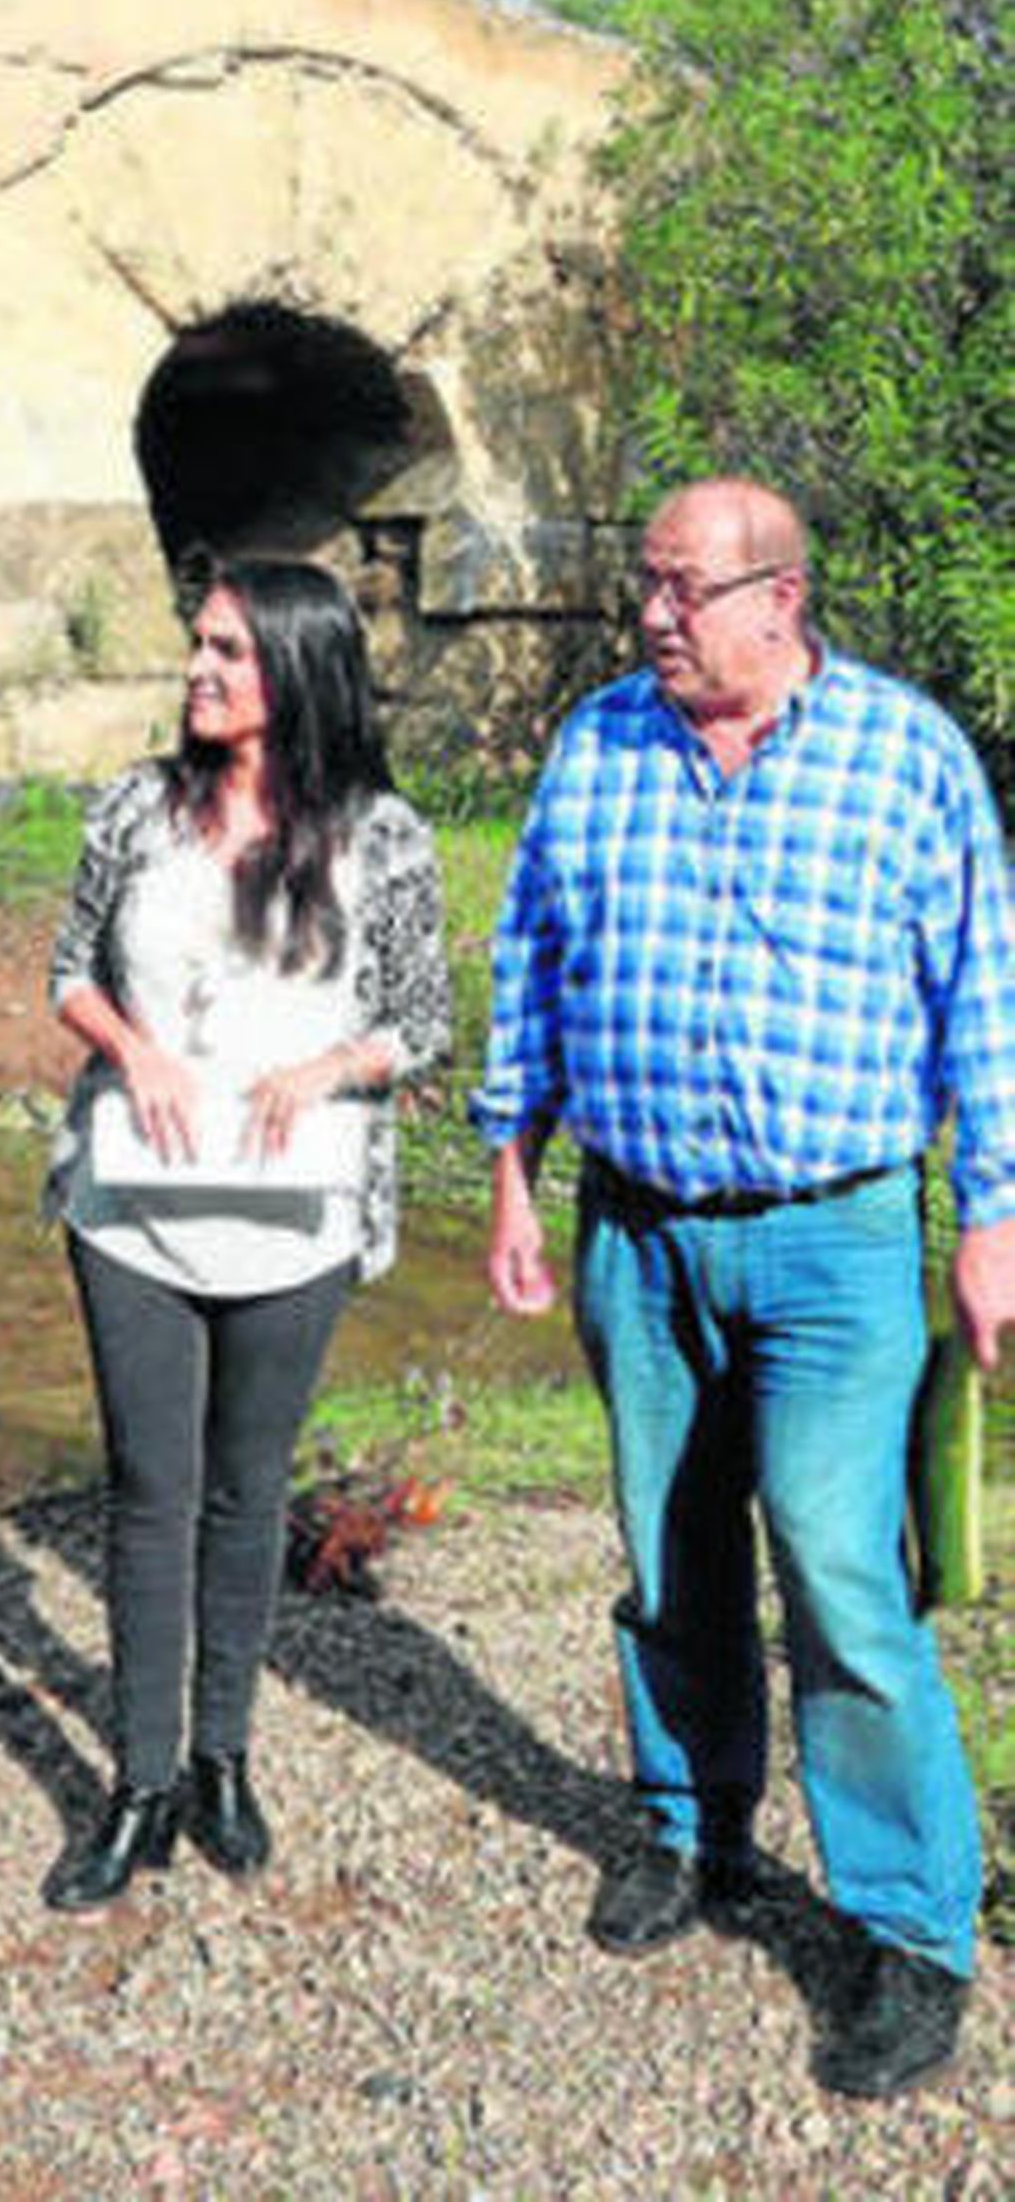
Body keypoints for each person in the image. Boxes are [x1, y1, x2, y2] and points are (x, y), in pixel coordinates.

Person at [476, 475, 1015, 2101]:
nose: (652, 616)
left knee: (841, 1572)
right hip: (636, 1230)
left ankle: (910, 1925)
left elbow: (983, 996)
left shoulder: (907, 756)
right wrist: (511, 1168)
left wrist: (991, 1218)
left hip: (835, 1239)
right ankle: (690, 1826)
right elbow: (530, 962)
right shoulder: (598, 746)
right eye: (646, 585)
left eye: (682, 589)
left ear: (780, 599)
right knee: (668, 1551)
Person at [42, 556, 449, 1909]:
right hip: (134, 1207)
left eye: (228, 650)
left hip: (295, 1209)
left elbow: (422, 1020)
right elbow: (70, 972)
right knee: (149, 1489)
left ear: (298, 666)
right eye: (198, 644)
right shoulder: (135, 809)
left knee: (246, 1490)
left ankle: (223, 1757)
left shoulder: (382, 836)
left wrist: (328, 1068)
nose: (198, 669)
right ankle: (140, 1782)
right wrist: (134, 1049)